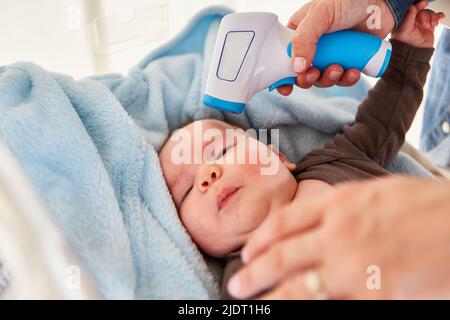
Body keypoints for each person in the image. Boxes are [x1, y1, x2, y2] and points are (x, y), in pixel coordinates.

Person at [158, 3, 442, 299]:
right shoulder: (244, 282)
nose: (207, 174)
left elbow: (384, 119)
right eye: (187, 190)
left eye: (221, 152)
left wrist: (409, 53)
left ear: (277, 156)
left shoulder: (337, 158)